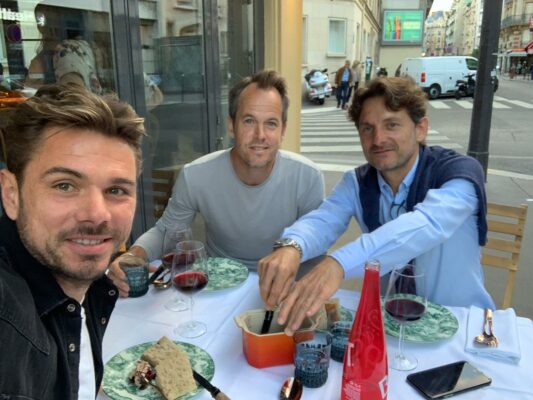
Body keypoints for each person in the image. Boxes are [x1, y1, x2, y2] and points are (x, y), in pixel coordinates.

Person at [259, 76, 495, 335]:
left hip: (463, 330)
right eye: (367, 128)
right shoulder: (358, 182)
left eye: (391, 124)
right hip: (390, 327)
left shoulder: (459, 175)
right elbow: (324, 220)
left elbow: (423, 226)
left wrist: (338, 264)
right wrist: (293, 246)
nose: (378, 138)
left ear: (420, 129)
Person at [108, 69, 325, 297]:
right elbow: (166, 232)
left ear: (283, 130)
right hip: (216, 290)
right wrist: (135, 255)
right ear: (232, 126)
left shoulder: (307, 177)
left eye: (271, 124)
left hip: (283, 290)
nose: (260, 135)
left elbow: (316, 245)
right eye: (249, 121)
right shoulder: (196, 175)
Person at [0, 84, 145, 398]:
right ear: (11, 195)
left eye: (116, 190)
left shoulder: (85, 283)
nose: (96, 214)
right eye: (65, 185)